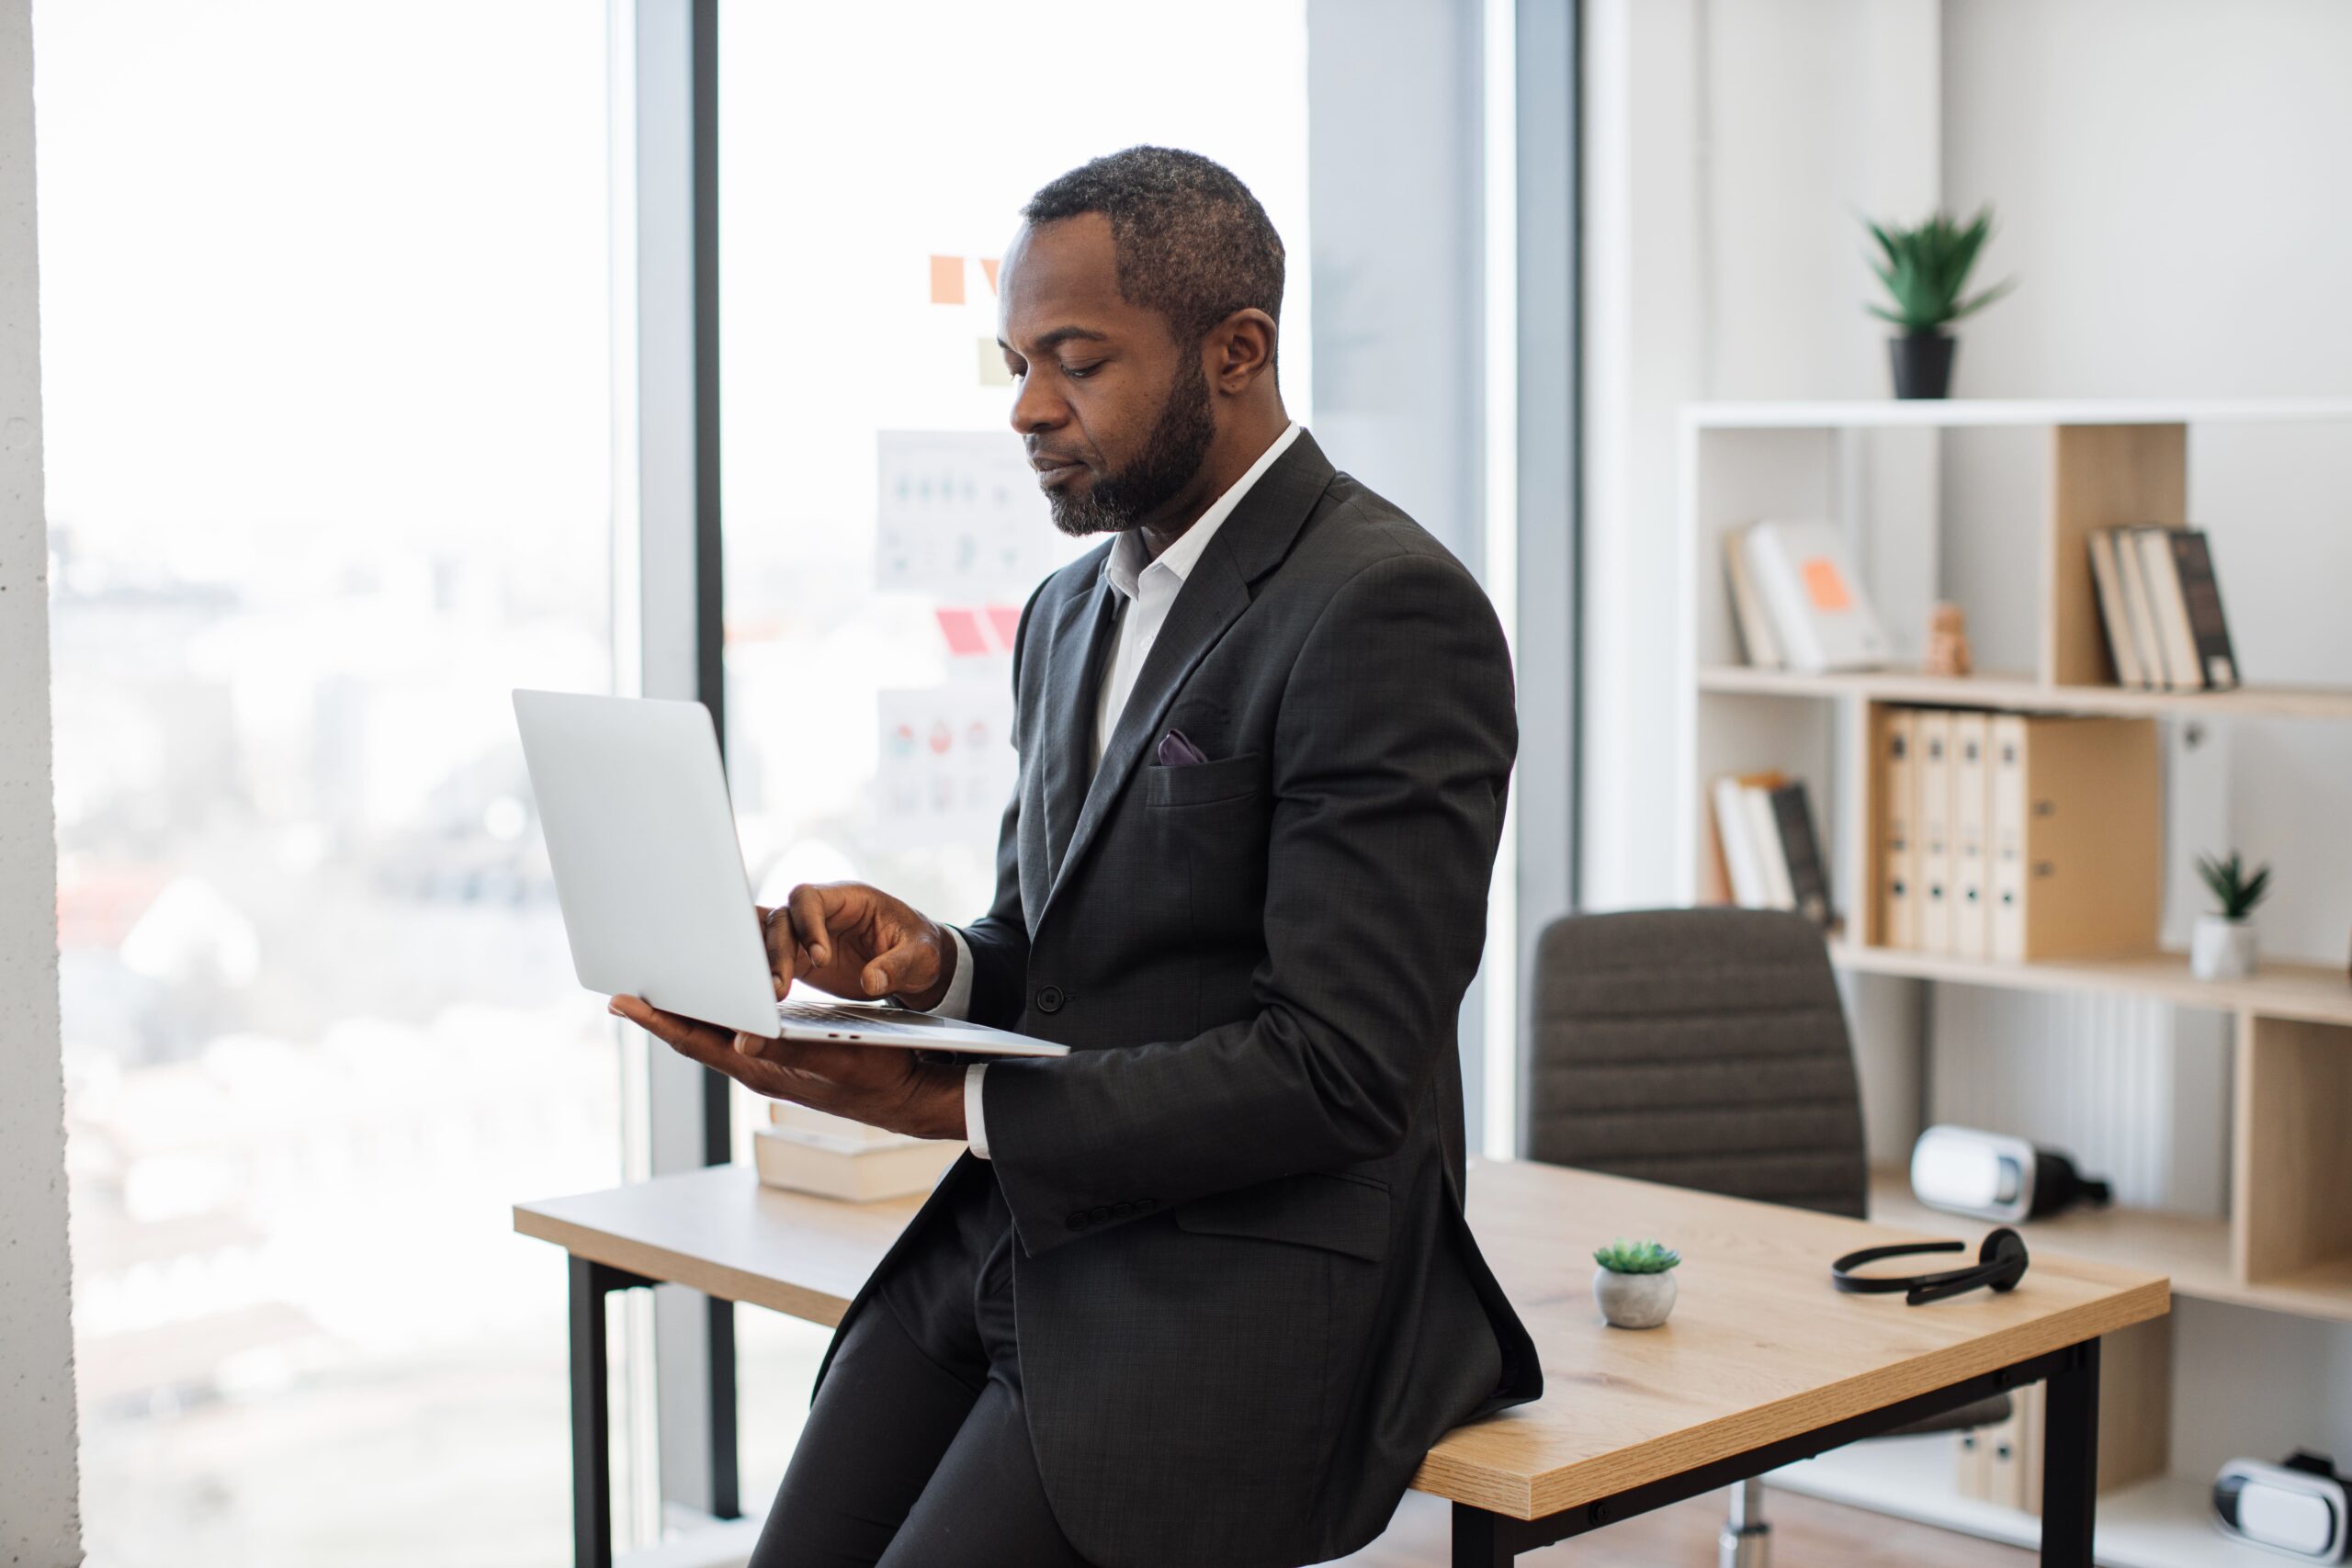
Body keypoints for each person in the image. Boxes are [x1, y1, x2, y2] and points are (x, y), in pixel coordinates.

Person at [611, 145, 1540, 1568]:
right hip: (1027, 1235)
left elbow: (1343, 1071)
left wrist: (949, 1104)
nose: (1029, 409)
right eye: (1016, 364)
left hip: (1240, 1284)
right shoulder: (1067, 612)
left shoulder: (1386, 610)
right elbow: (1060, 963)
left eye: (1076, 361)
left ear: (1238, 352)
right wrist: (935, 970)